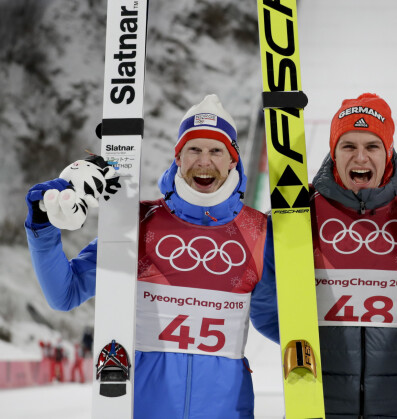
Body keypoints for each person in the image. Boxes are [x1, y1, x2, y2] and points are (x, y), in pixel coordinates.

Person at [24, 94, 278, 418]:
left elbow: (274, 320)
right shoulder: (141, 224)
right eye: (194, 149)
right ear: (178, 158)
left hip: (226, 410)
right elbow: (65, 293)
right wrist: (43, 224)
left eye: (216, 150)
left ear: (232, 160)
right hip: (144, 409)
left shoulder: (259, 232)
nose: (204, 160)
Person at [263, 93, 397, 418]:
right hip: (317, 397)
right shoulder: (298, 211)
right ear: (334, 153)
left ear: (389, 151)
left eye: (372, 146)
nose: (361, 157)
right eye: (348, 146)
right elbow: (266, 307)